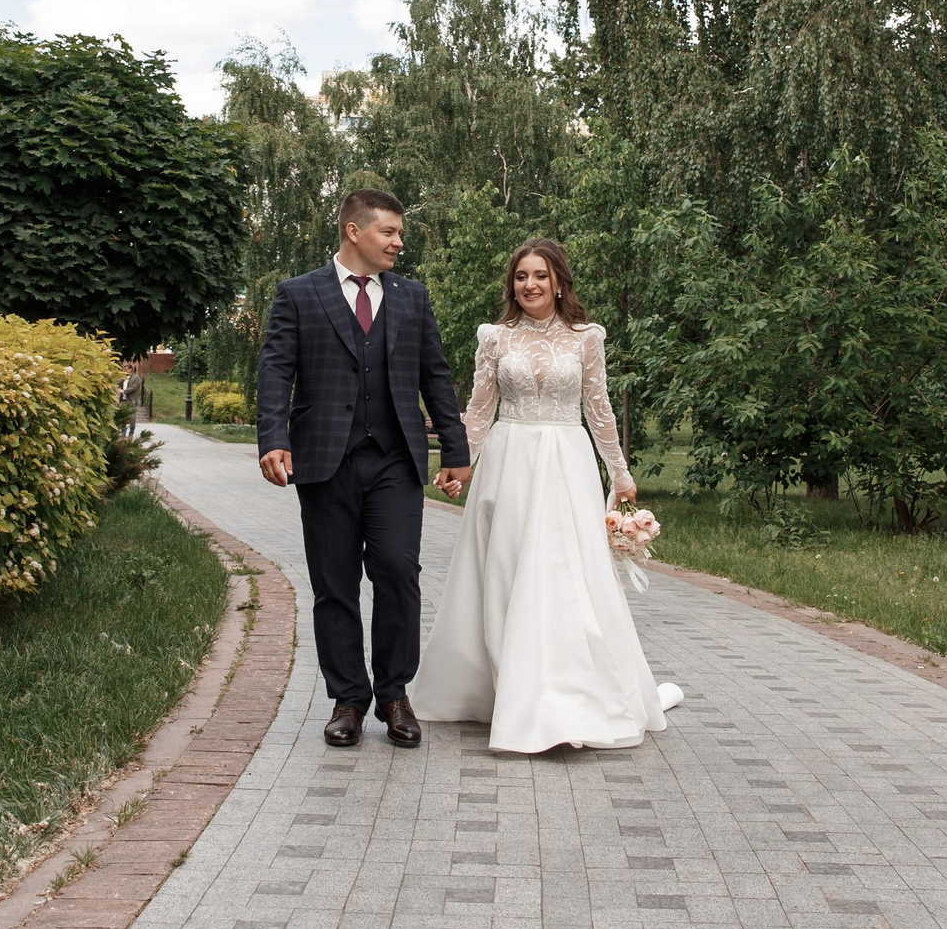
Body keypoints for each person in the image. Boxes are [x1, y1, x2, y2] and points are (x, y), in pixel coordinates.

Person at [408, 237, 682, 752]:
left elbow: (598, 410)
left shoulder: (586, 338)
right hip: (509, 461)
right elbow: (479, 407)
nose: (529, 285)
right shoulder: (495, 337)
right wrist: (459, 465)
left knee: (563, 573)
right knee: (507, 571)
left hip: (566, 463)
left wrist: (619, 473)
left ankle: (564, 695)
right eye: (520, 276)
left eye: (539, 275)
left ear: (559, 281)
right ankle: (505, 686)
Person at [255, 189, 472, 748]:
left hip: (396, 459)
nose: (399, 242)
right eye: (390, 233)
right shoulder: (299, 294)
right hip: (325, 460)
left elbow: (436, 377)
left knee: (399, 572)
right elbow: (277, 371)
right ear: (354, 231)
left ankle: (394, 693)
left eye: (400, 233)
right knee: (334, 584)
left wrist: (456, 450)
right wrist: (273, 438)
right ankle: (347, 698)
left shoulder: (412, 298)